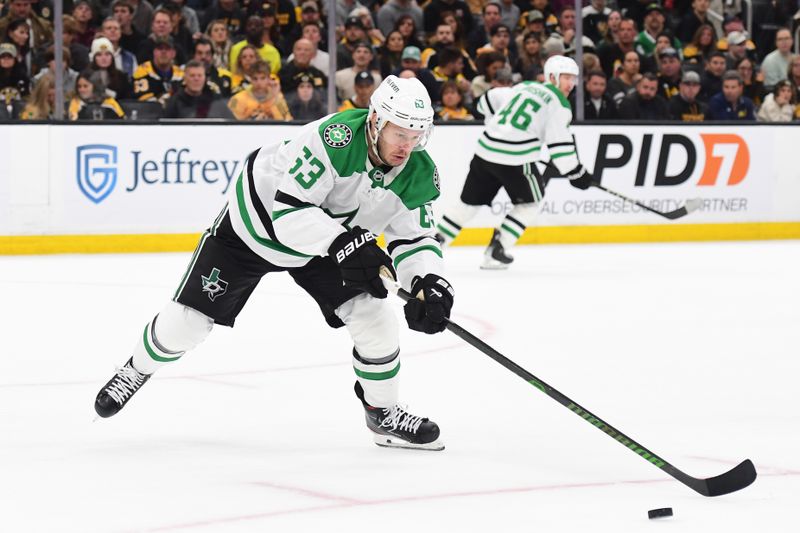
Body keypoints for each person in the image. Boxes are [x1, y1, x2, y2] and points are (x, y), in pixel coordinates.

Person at [94, 75, 452, 452]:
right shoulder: (334, 139)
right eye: (400, 134)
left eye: (417, 136)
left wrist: (426, 281)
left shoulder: (418, 172)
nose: (408, 146)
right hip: (258, 227)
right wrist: (343, 243)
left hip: (328, 241)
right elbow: (290, 215)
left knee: (375, 317)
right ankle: (136, 369)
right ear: (376, 120)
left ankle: (383, 414)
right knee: (187, 324)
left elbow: (415, 238)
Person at [435, 56, 594, 269]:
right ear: (553, 77)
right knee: (530, 203)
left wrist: (502, 129)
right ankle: (497, 250)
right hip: (516, 160)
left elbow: (486, 101)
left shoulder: (524, 87)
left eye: (573, 79)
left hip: (485, 152)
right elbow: (560, 145)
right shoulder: (559, 104)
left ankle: (435, 246)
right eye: (566, 78)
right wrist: (577, 173)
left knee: (469, 203)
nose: (571, 84)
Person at [132, 35, 183, 104]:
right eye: (160, 48)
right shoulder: (142, 71)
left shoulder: (181, 74)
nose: (163, 52)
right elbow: (142, 101)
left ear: (173, 53)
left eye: (167, 49)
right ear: (154, 52)